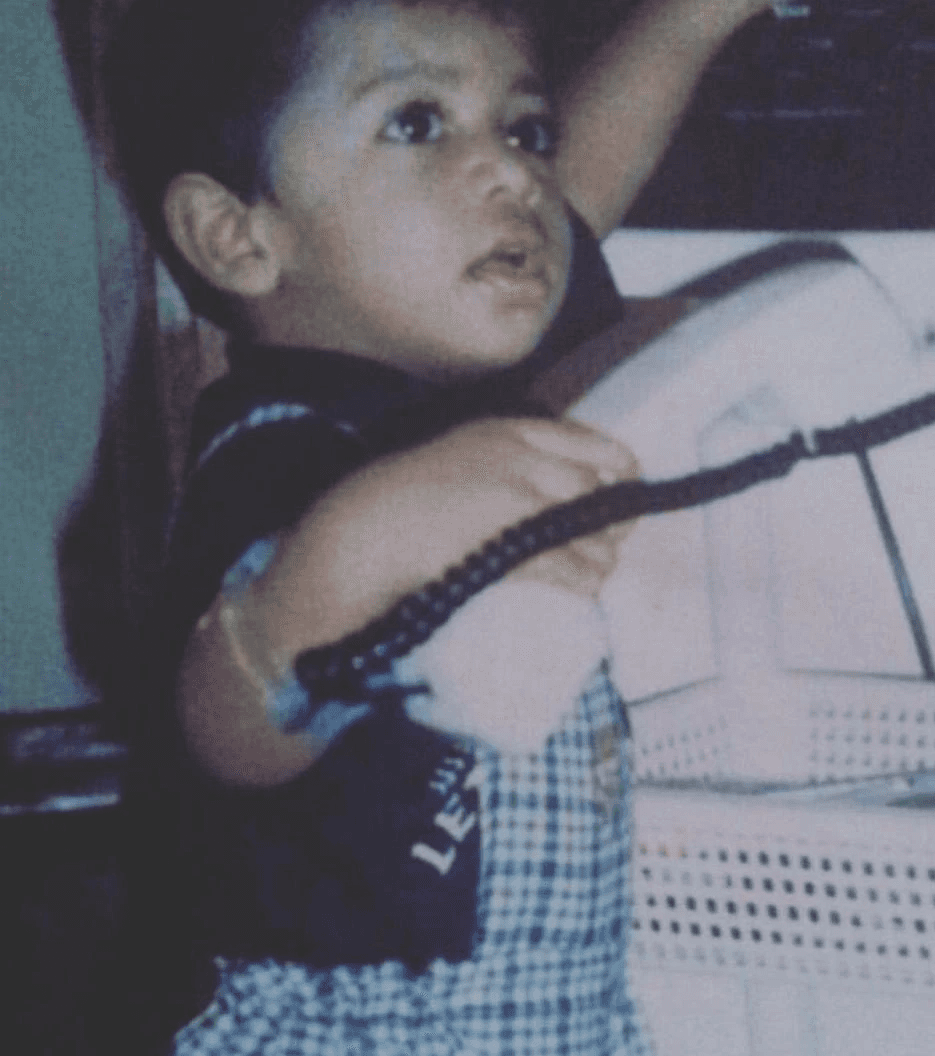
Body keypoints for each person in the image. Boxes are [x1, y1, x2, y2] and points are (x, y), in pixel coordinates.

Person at [100, 0, 778, 1051]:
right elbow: (217, 724)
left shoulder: (452, 407)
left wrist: (686, 25)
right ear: (239, 236)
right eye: (418, 123)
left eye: (525, 130)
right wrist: (358, 548)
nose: (517, 175)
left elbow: (575, 200)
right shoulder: (287, 452)